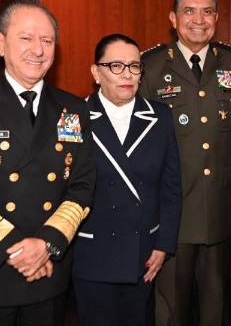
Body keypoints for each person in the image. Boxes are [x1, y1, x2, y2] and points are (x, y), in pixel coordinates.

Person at [0, 2, 95, 326]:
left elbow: (82, 185)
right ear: (1, 43)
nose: (38, 50)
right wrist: (19, 251)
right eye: (26, 38)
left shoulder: (72, 109)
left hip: (47, 272)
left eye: (47, 41)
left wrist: (46, 244)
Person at [139, 0, 231, 325]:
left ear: (217, 18)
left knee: (215, 302)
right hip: (172, 209)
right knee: (171, 305)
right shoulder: (150, 66)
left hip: (221, 206)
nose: (199, 20)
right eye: (189, 11)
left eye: (207, 12)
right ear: (173, 18)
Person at [72, 34, 182, 325]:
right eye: (116, 66)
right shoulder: (74, 117)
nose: (128, 74)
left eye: (134, 66)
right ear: (96, 72)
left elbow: (171, 187)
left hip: (142, 251)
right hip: (93, 252)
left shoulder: (160, 116)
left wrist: (164, 244)